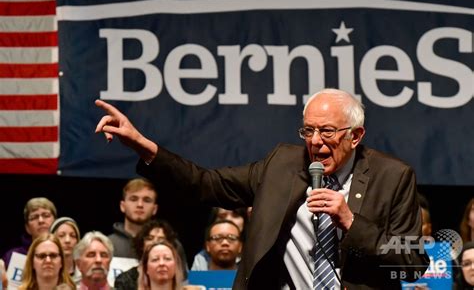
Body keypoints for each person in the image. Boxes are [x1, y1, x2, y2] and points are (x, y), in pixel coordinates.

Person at [95, 88, 429, 289]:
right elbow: (204, 183)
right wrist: (143, 146)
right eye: (308, 130)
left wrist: (352, 222)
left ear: (355, 136)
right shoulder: (282, 164)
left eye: (327, 132)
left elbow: (413, 261)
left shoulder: (393, 177)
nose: (315, 142)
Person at [114, 219, 188, 290]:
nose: (155, 242)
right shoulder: (125, 279)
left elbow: (198, 279)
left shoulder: (184, 272)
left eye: (161, 239)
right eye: (150, 238)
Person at [109, 178, 158, 258]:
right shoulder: (107, 244)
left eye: (147, 200)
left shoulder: (168, 244)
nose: (140, 204)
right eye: (133, 199)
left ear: (154, 209)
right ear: (122, 206)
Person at [2, 197, 57, 268]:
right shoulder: (12, 257)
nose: (41, 220)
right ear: (27, 228)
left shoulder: (66, 252)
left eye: (46, 215)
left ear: (56, 221)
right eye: (34, 217)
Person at [50, 217, 82, 284]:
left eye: (72, 236)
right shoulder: (45, 274)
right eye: (61, 236)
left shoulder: (85, 273)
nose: (67, 240)